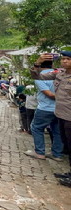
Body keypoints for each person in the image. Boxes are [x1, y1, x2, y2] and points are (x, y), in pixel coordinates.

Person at [31, 51, 71, 187]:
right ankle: (69, 172)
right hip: (60, 114)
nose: (65, 61)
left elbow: (48, 93)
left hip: (69, 116)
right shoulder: (59, 73)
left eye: (68, 59)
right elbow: (36, 76)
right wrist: (38, 62)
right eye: (63, 59)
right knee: (65, 141)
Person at [24, 61, 63, 161]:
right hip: (59, 108)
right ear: (52, 65)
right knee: (57, 130)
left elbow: (49, 94)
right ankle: (57, 154)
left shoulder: (40, 77)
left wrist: (62, 97)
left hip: (45, 108)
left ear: (40, 67)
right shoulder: (59, 74)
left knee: (36, 128)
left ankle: (40, 152)